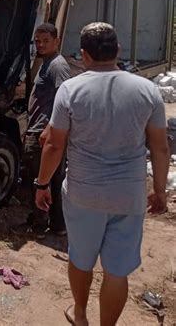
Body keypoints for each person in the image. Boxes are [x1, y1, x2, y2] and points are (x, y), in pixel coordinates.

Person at [35, 22, 169, 326]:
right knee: (117, 270)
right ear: (117, 51)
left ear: (83, 55)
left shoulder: (71, 89)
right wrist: (160, 191)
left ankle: (80, 314)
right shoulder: (147, 90)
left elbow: (54, 145)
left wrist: (42, 184)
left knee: (80, 258)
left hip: (84, 192)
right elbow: (160, 149)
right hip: (129, 195)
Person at [22, 22, 70, 238]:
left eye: (45, 41)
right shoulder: (46, 63)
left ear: (56, 41)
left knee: (38, 178)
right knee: (53, 179)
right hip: (43, 130)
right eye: (37, 41)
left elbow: (65, 98)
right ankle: (58, 225)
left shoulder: (57, 66)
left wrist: (49, 127)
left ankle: (39, 226)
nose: (40, 45)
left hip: (43, 132)